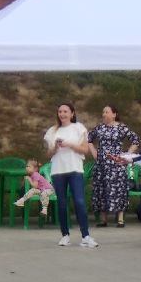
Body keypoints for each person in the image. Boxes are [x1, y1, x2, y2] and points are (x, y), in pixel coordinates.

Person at [43, 103, 95, 247]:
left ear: (72, 113)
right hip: (58, 170)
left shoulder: (79, 128)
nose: (62, 114)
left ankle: (86, 236)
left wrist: (70, 145)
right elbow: (48, 153)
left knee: (79, 201)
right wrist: (55, 147)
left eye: (65, 111)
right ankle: (65, 235)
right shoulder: (52, 131)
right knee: (62, 203)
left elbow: (85, 150)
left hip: (75, 169)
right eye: (60, 111)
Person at [89, 105, 138, 228]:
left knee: (119, 190)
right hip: (101, 165)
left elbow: (135, 140)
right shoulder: (99, 127)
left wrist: (126, 155)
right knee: (101, 190)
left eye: (107, 112)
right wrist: (94, 153)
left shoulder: (121, 128)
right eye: (103, 112)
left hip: (116, 164)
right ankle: (103, 219)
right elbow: (88, 139)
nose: (104, 114)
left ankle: (120, 219)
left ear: (114, 114)